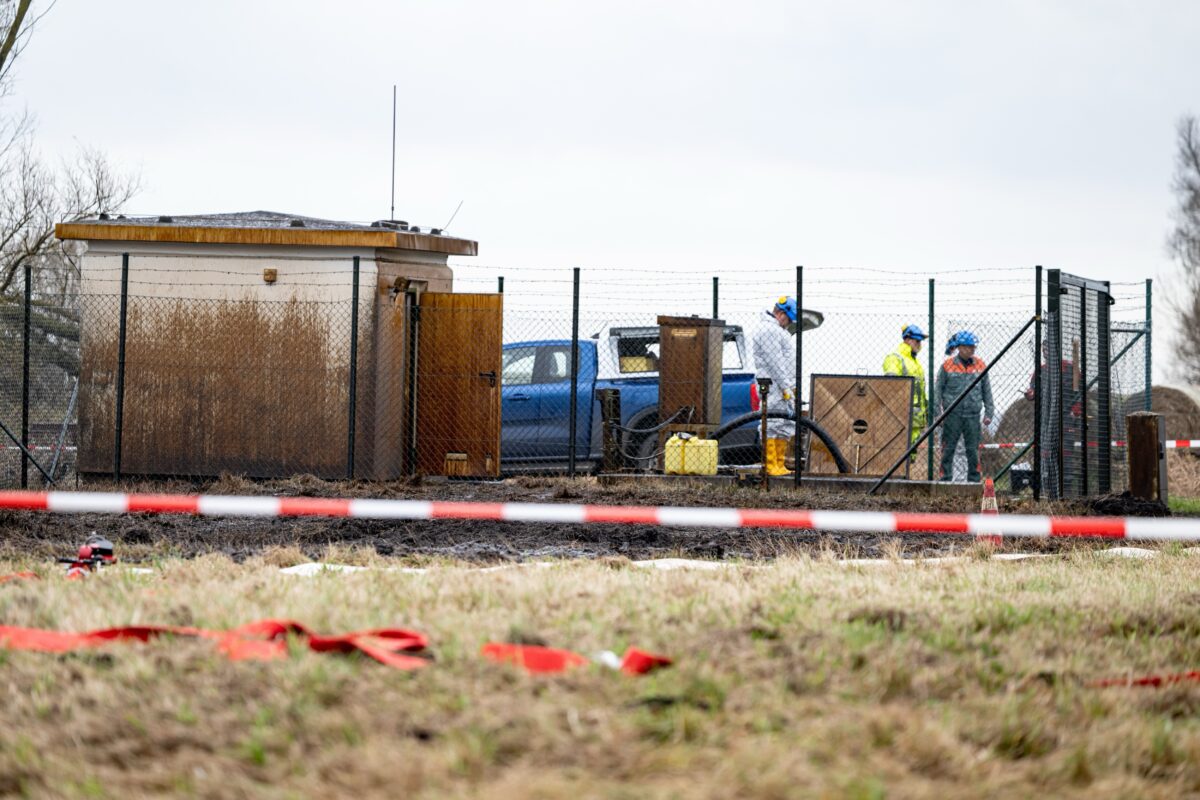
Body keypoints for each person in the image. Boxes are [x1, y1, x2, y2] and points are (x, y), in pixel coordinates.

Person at [936, 330, 995, 482]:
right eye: (968, 347)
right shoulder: (947, 366)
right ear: (960, 347)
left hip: (973, 416)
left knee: (973, 451)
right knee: (948, 449)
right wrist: (938, 414)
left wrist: (989, 412)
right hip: (952, 416)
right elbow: (937, 391)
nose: (972, 350)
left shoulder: (981, 365)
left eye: (973, 347)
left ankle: (974, 481)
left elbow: (986, 390)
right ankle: (945, 480)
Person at [752, 295, 798, 476]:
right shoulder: (768, 330)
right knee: (772, 422)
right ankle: (771, 464)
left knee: (784, 424)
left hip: (782, 386)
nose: (788, 323)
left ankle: (779, 463)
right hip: (773, 385)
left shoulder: (777, 331)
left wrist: (788, 387)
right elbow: (775, 362)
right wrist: (785, 386)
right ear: (780, 312)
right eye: (788, 319)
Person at [882, 324, 928, 444]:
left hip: (915, 420)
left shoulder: (916, 363)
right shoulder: (895, 358)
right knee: (900, 453)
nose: (919, 344)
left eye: (920, 341)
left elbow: (921, 392)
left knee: (910, 457)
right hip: (901, 418)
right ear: (907, 340)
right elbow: (890, 386)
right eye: (917, 341)